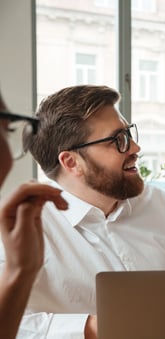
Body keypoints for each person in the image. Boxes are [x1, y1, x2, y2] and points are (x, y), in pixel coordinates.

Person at [0, 85, 165, 338]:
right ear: (72, 162)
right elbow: (18, 326)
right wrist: (92, 328)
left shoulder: (156, 202)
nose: (135, 148)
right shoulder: (19, 225)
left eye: (128, 134)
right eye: (118, 140)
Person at [0, 91, 68, 339]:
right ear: (69, 161)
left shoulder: (155, 202)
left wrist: (21, 271)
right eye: (7, 130)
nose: (9, 158)